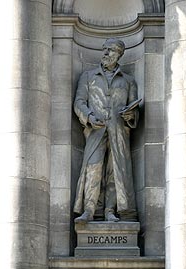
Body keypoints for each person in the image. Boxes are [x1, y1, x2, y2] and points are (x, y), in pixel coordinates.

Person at [73, 38, 139, 224]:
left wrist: (130, 116)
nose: (105, 53)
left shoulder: (128, 81)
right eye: (104, 50)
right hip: (95, 131)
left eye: (110, 50)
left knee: (114, 171)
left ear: (119, 54)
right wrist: (89, 117)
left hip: (118, 132)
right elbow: (79, 102)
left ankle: (110, 210)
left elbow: (134, 108)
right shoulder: (88, 76)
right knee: (93, 168)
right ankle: (89, 210)